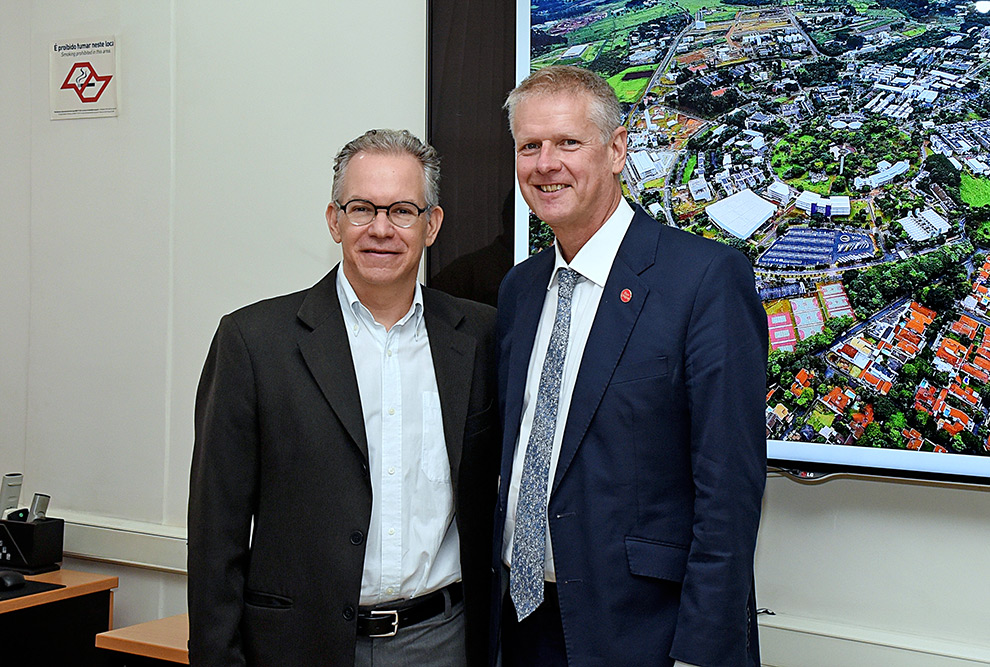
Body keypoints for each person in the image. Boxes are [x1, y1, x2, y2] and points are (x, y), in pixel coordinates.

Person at [188, 129, 500, 666]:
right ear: (334, 220)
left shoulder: (482, 336)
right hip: (300, 646)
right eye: (361, 208)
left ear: (432, 225)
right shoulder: (254, 341)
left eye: (403, 210)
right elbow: (216, 530)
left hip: (444, 642)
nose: (381, 228)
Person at [492, 65, 768, 666]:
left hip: (646, 631)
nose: (546, 163)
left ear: (617, 150)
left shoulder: (703, 279)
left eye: (568, 142)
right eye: (529, 146)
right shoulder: (519, 291)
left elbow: (729, 488)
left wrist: (704, 651)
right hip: (519, 624)